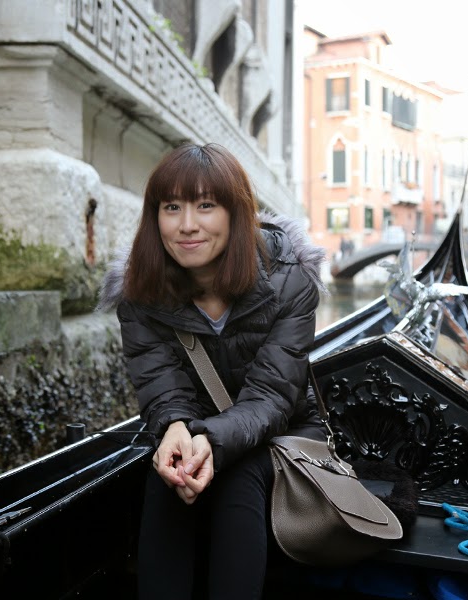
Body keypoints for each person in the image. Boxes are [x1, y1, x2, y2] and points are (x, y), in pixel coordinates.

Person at [98, 143, 327, 599]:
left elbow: (272, 397)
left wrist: (211, 443)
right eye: (172, 207)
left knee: (238, 475)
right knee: (167, 477)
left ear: (235, 213)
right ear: (154, 217)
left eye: (205, 206)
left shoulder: (290, 279)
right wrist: (175, 429)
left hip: (285, 431)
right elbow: (162, 387)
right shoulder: (138, 293)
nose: (187, 224)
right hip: (198, 426)